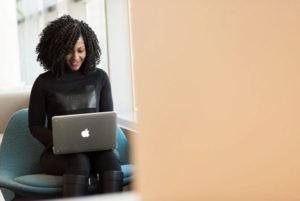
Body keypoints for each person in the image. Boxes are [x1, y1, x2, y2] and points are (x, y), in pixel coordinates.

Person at [28, 15, 123, 197]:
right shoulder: (43, 82)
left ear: (89, 49)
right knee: (79, 161)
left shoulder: (100, 78)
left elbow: (106, 120)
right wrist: (62, 141)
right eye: (69, 51)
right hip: (58, 154)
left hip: (96, 150)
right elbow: (35, 126)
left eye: (81, 50)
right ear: (57, 50)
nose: (75, 57)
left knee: (111, 161)